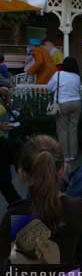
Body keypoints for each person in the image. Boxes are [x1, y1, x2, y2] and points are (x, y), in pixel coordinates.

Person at [0, 135, 82, 276]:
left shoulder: (17, 215)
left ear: (22, 172)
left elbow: (5, 265)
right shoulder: (77, 206)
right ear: (62, 170)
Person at [47, 56, 82, 162]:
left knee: (62, 130)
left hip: (63, 103)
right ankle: (73, 154)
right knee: (73, 129)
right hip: (76, 103)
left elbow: (49, 87)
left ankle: (65, 155)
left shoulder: (58, 74)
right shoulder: (77, 76)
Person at [0, 78, 21, 206]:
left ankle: (23, 221)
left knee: (6, 183)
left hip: (2, 142)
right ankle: (23, 222)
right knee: (5, 183)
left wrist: (6, 99)